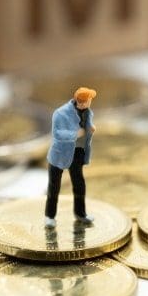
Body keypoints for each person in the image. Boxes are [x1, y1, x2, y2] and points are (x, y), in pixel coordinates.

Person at [44, 87, 97, 228]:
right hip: (60, 155)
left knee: (79, 185)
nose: (90, 103)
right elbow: (57, 134)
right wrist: (75, 134)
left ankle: (80, 213)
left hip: (78, 153)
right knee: (54, 187)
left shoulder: (88, 112)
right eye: (89, 100)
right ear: (82, 102)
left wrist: (90, 129)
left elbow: (85, 130)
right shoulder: (60, 113)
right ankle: (49, 216)